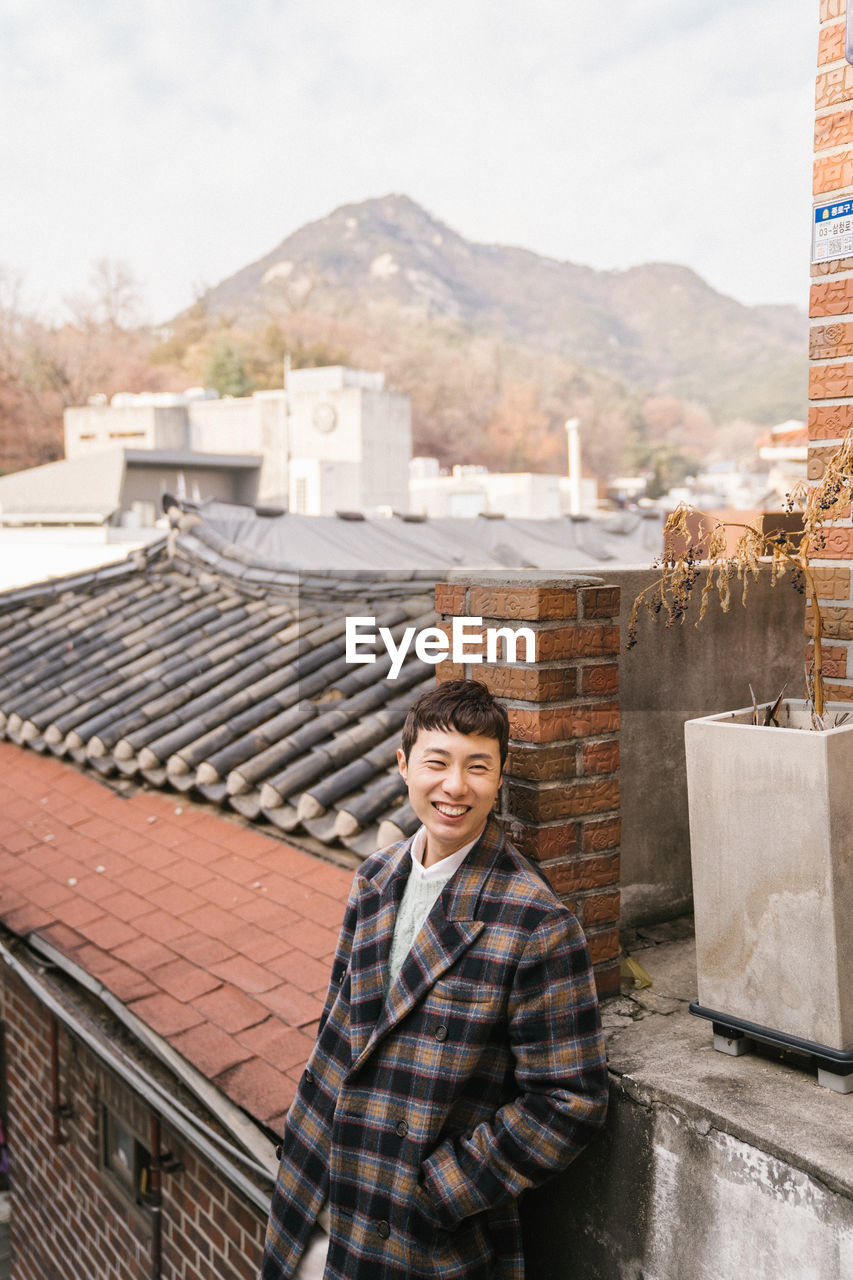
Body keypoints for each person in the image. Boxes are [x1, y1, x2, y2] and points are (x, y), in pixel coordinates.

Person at [260, 679, 608, 1280]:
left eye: (478, 766)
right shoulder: (374, 879)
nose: (455, 786)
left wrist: (439, 1190)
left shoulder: (535, 921)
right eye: (437, 762)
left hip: (417, 1235)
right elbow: (339, 1031)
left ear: (500, 778)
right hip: (313, 1195)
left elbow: (570, 1101)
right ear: (403, 765)